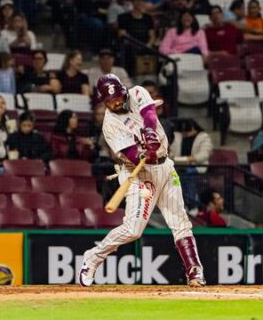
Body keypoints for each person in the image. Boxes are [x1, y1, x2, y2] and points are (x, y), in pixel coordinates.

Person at [78, 74, 206, 287]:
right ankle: (92, 257)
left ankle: (194, 271)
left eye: (117, 97)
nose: (116, 102)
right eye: (110, 101)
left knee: (181, 222)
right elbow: (130, 154)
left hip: (165, 167)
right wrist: (144, 153)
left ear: (123, 91)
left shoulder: (137, 92)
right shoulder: (109, 125)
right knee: (133, 230)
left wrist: (149, 133)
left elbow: (149, 115)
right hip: (138, 174)